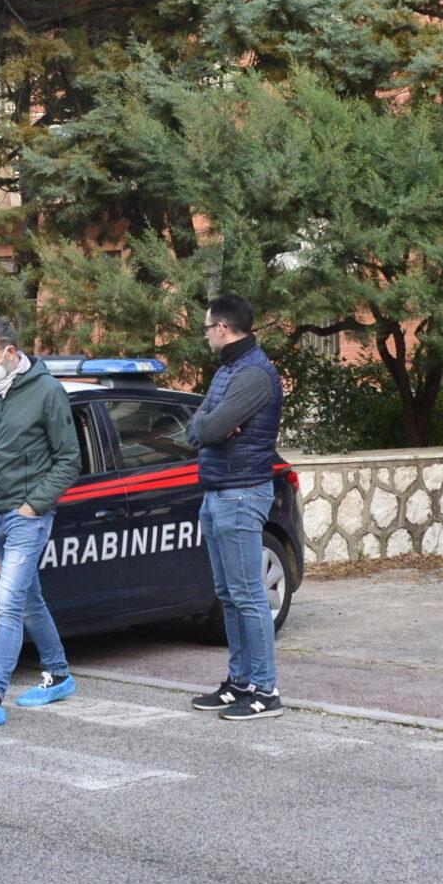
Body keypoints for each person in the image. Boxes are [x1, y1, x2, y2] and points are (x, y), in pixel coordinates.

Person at [0, 318, 81, 727]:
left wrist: (34, 505)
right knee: (28, 600)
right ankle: (59, 674)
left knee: (7, 604)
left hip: (27, 517)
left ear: (9, 352)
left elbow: (68, 460)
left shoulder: (47, 392)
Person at [184, 294, 287, 722]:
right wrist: (211, 427)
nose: (206, 335)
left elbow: (211, 426)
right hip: (218, 491)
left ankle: (265, 690)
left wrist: (213, 427)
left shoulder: (254, 375)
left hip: (242, 494)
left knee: (248, 596)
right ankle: (239, 682)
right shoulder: (229, 370)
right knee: (229, 594)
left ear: (222, 328)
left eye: (207, 328)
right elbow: (199, 425)